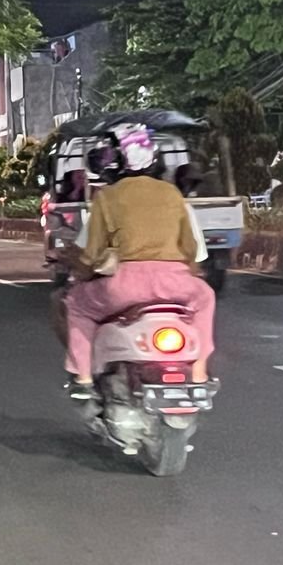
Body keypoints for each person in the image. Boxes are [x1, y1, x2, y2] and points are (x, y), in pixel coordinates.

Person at [60, 123, 216, 397]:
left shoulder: (107, 197)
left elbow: (92, 254)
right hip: (177, 284)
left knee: (76, 305)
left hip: (124, 287)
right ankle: (200, 372)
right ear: (154, 159)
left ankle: (83, 380)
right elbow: (190, 250)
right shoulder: (172, 194)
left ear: (115, 162)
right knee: (206, 297)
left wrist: (81, 272)